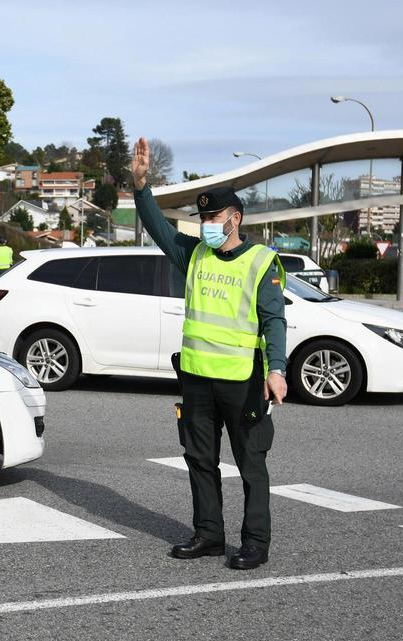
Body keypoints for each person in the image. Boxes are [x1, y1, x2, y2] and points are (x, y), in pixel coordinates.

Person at [131, 136, 288, 571]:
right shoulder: (194, 254)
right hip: (197, 378)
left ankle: (255, 543)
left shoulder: (260, 262)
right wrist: (142, 188)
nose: (206, 224)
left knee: (250, 464)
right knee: (199, 459)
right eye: (202, 217)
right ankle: (209, 535)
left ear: (235, 218)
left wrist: (277, 369)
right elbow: (160, 229)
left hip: (242, 381)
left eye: (213, 216)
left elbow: (274, 320)